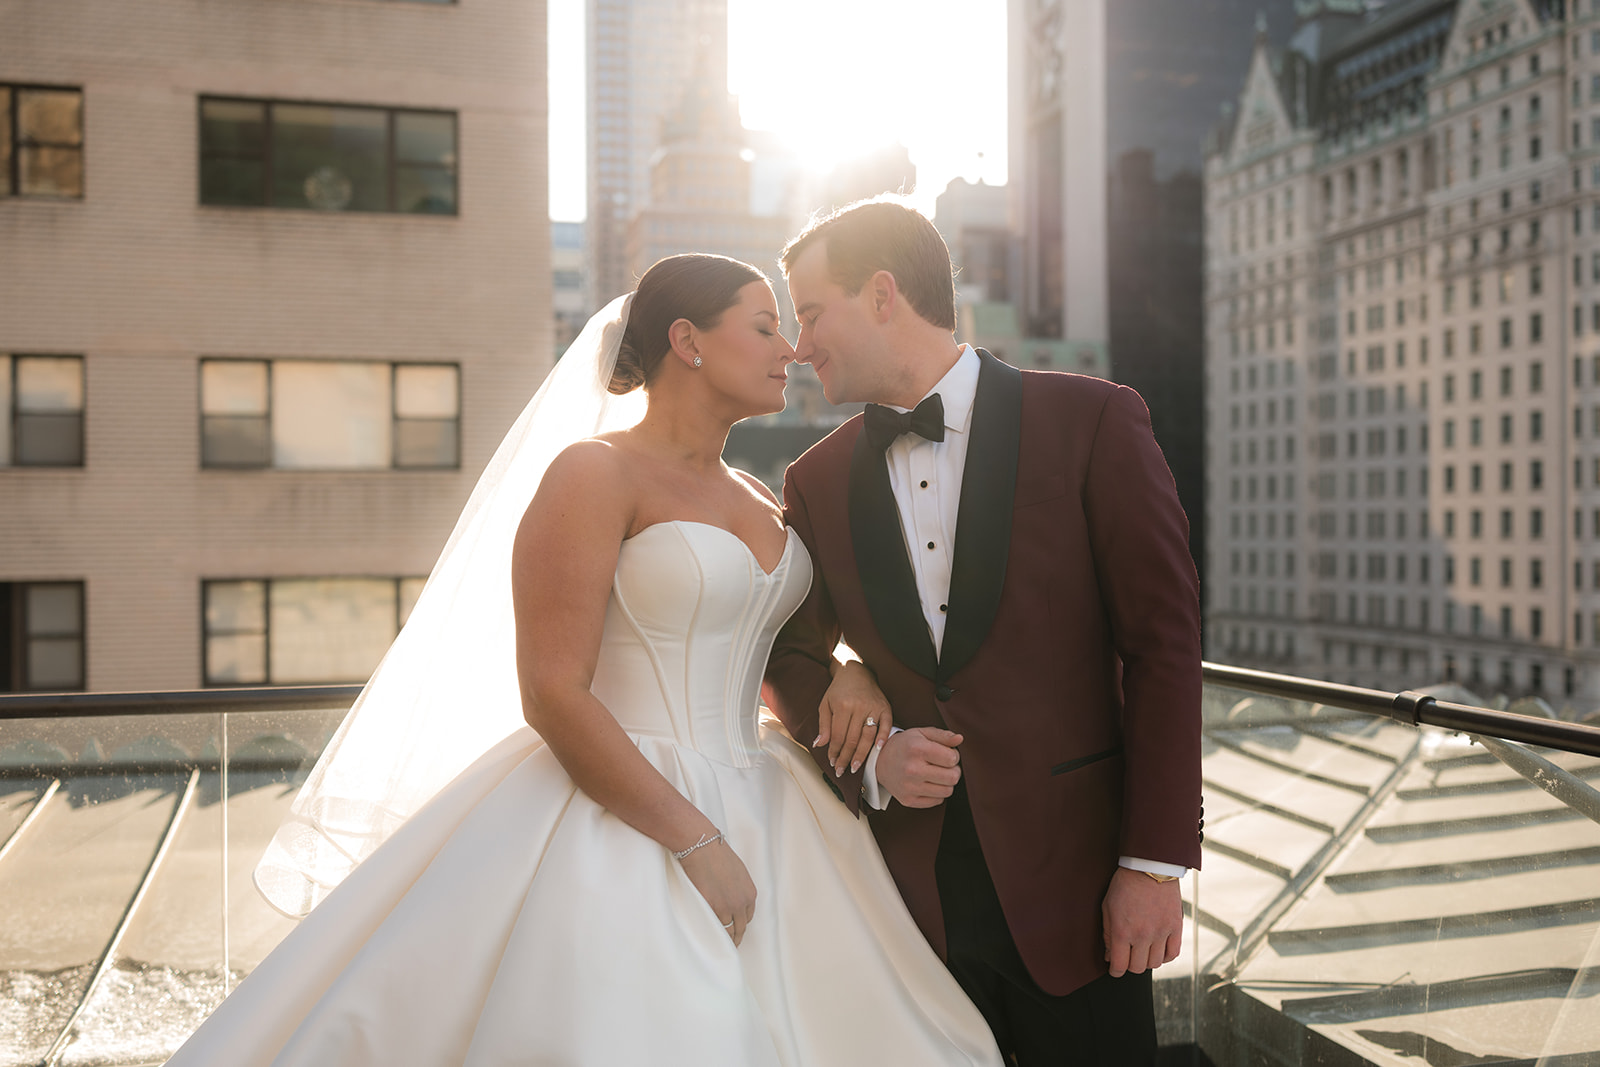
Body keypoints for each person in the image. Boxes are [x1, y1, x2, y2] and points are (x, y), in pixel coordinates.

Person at [167, 254, 1003, 1066]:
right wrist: (696, 841)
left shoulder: (760, 495)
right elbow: (552, 690)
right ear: (688, 341)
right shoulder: (592, 475)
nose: (790, 348)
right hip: (624, 811)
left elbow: (802, 640)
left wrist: (851, 666)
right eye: (763, 326)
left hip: (777, 800)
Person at [763, 200, 1204, 1067]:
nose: (801, 343)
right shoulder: (814, 481)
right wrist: (872, 751)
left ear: (883, 293)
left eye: (813, 313)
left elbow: (1163, 644)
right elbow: (786, 649)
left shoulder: (1093, 421)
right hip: (906, 907)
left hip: (1081, 891)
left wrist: (1153, 866)